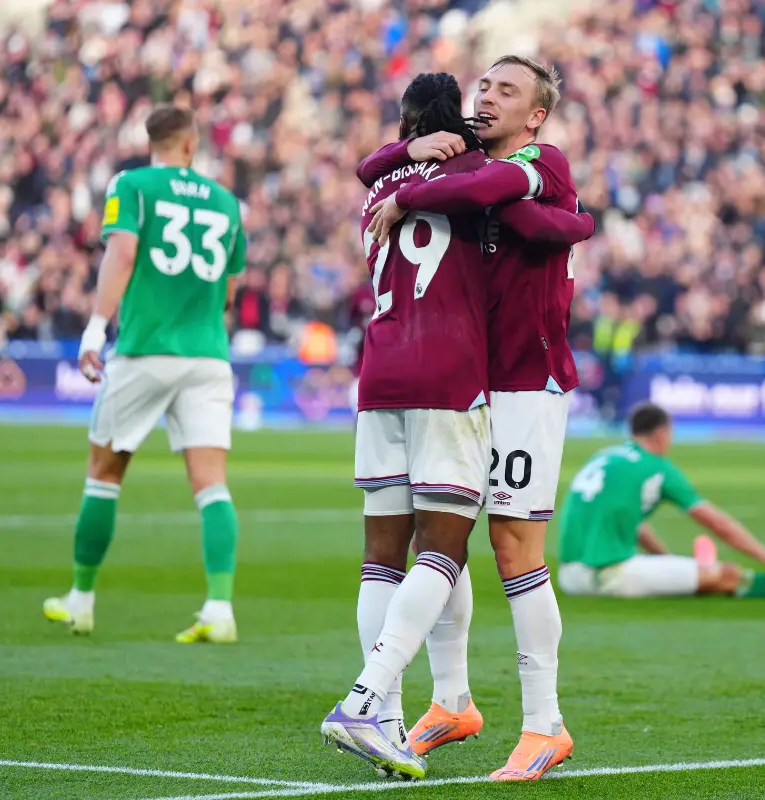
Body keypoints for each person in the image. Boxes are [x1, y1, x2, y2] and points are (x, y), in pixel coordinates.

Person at [320, 71, 590, 782]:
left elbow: (536, 220)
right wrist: (407, 161)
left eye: (507, 90)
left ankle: (544, 724)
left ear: (536, 115)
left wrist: (406, 184)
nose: (488, 95)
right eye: (484, 85)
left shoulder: (536, 163)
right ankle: (450, 699)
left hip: (524, 382)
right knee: (446, 536)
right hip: (467, 379)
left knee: (512, 545)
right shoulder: (465, 169)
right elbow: (391, 170)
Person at [39, 105, 248, 645]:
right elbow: (229, 290)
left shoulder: (131, 185)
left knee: (104, 473)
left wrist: (94, 328)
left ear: (151, 142)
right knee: (212, 485)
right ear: (191, 143)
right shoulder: (226, 202)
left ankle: (82, 600)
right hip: (208, 354)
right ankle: (220, 608)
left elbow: (123, 253)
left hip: (145, 348)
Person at [555, 403, 765, 601]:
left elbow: (630, 523)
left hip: (569, 576)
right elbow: (718, 524)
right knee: (727, 576)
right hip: (606, 576)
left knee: (700, 577)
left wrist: (667, 562)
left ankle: (696, 573)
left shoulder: (606, 457)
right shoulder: (657, 468)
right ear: (661, 434)